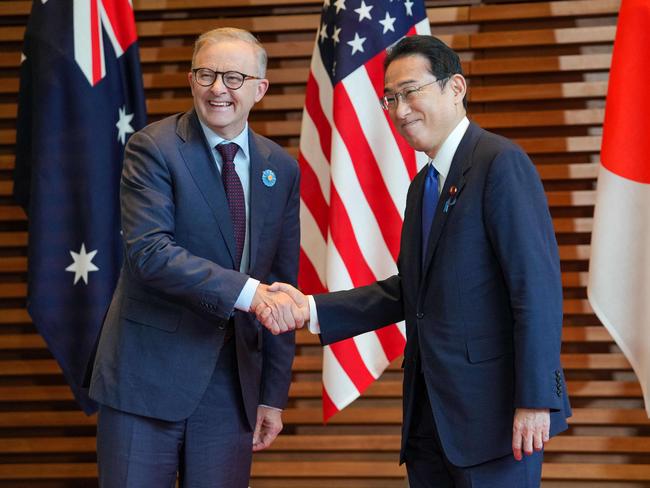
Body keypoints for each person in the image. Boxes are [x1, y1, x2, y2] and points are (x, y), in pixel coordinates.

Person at [258, 35, 571, 488]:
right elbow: (410, 292)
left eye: (411, 92)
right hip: (431, 423)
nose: (400, 110)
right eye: (390, 98)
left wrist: (537, 400)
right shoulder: (422, 184)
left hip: (497, 419)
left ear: (455, 87)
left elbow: (536, 289)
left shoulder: (500, 163)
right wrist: (310, 308)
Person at [88, 27, 302, 487]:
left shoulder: (279, 168)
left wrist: (272, 394)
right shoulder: (154, 147)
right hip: (145, 379)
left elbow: (283, 285)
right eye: (206, 74)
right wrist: (248, 294)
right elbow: (150, 252)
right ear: (190, 80)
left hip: (231, 389)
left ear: (259, 89)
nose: (217, 88)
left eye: (233, 77)